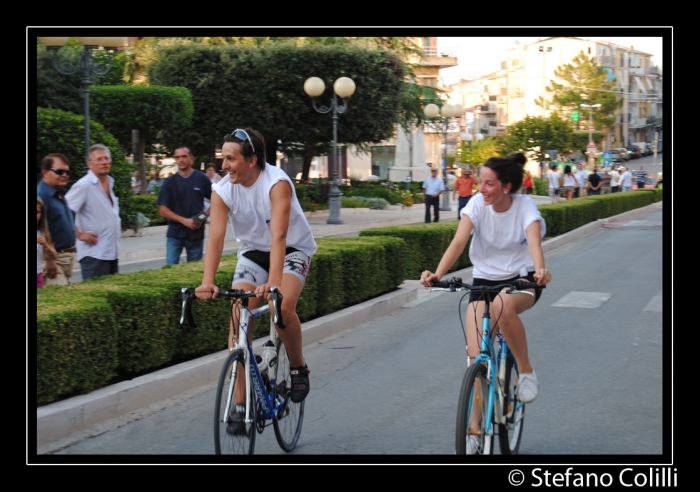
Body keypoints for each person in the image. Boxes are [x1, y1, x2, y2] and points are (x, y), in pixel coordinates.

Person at [419, 156, 551, 454]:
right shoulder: (477, 204)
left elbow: (533, 242)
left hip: (521, 281)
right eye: (481, 182)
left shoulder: (524, 206)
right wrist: (437, 274)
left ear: (506, 186)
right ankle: (474, 431)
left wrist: (540, 270)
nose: (483, 189)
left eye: (489, 183)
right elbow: (458, 242)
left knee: (503, 307)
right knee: (476, 358)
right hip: (483, 283)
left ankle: (527, 373)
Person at [195, 128, 316, 413]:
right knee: (239, 319)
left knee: (281, 309)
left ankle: (298, 368)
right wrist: (207, 281)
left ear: (252, 160)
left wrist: (273, 281)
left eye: (230, 159)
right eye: (222, 158)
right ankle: (240, 406)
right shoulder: (222, 190)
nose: (223, 166)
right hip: (252, 252)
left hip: (292, 250)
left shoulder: (277, 183)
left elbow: (279, 237)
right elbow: (215, 238)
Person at [65, 144, 121, 280]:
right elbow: (64, 211)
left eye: (106, 158)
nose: (104, 162)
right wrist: (78, 234)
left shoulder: (110, 182)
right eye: (99, 159)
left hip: (111, 252)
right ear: (89, 164)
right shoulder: (84, 184)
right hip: (94, 254)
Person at [157, 145, 212, 264]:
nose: (181, 160)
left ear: (191, 158)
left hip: (195, 234)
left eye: (184, 156)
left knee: (194, 273)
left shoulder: (202, 178)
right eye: (177, 157)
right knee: (170, 272)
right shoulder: (169, 182)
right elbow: (163, 210)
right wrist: (184, 221)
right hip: (174, 234)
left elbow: (217, 202)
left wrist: (202, 217)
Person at [37, 153, 77, 285]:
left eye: (67, 172)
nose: (64, 175)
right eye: (59, 171)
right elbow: (40, 228)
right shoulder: (41, 195)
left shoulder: (60, 193)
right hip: (55, 259)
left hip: (67, 258)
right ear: (45, 172)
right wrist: (49, 260)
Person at [36, 196, 56, 288]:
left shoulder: (42, 233)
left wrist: (45, 245)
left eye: (37, 212)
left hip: (38, 275)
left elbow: (54, 255)